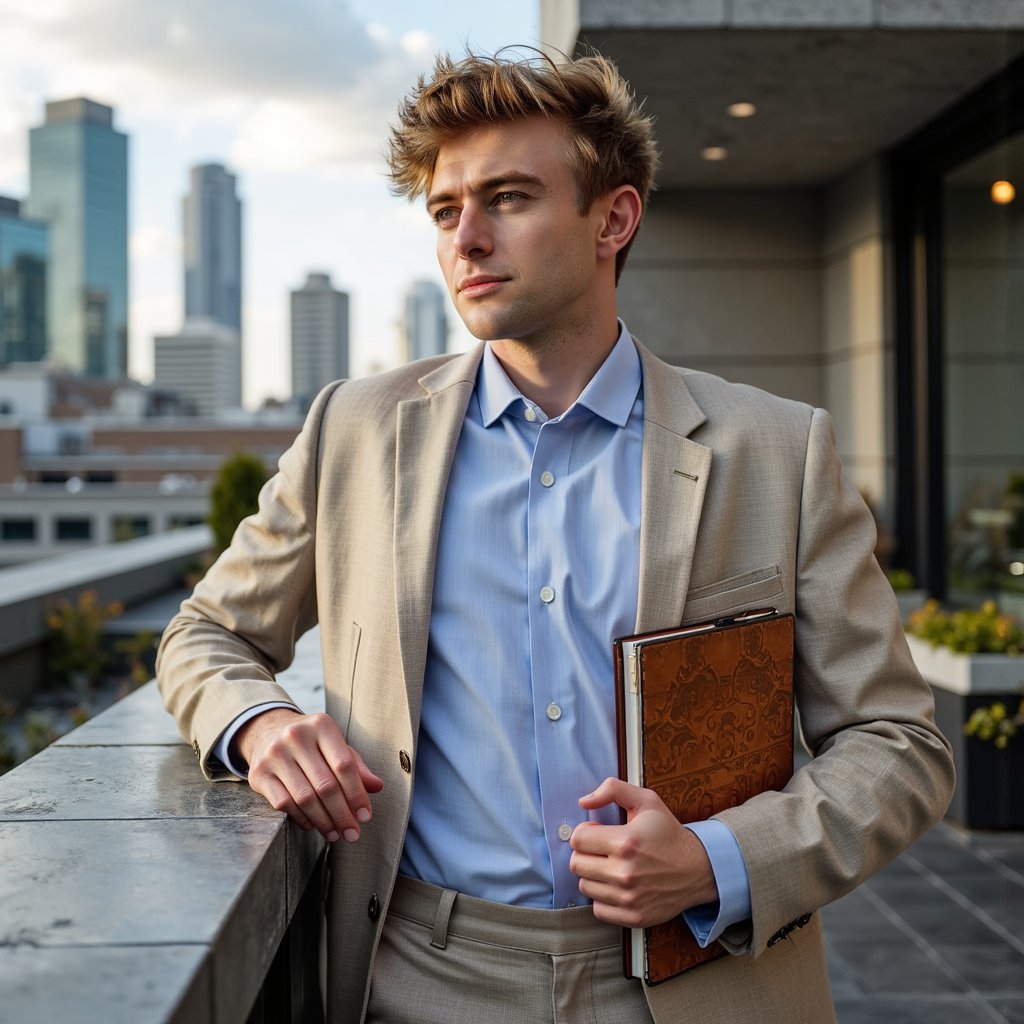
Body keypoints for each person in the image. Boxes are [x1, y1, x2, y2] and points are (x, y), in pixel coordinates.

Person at [157, 49, 955, 1024]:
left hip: (690, 978)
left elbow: (899, 743)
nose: (468, 238)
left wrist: (719, 859)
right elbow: (206, 632)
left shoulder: (775, 451)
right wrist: (261, 724)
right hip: (412, 975)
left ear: (612, 218)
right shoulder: (355, 431)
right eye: (446, 211)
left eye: (508, 198)